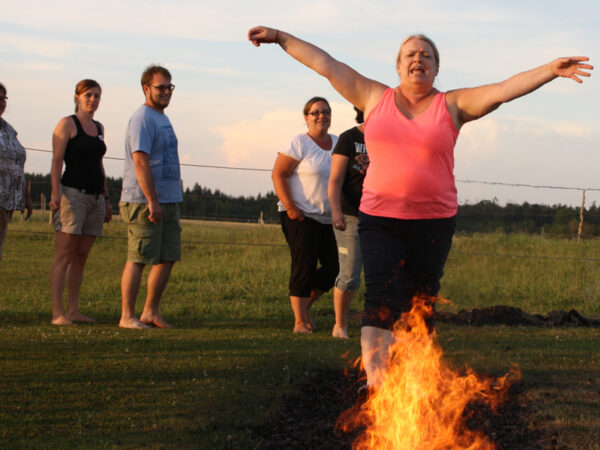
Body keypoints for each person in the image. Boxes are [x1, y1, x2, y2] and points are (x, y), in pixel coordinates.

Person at [248, 26, 593, 386]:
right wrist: (280, 37)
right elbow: (326, 64)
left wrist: (550, 71)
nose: (418, 59)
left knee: (420, 301)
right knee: (381, 297)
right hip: (380, 219)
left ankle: (412, 381)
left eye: (426, 55)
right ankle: (380, 386)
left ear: (436, 69)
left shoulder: (453, 105)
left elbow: (503, 90)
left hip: (434, 222)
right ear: (398, 66)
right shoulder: (373, 96)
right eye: (411, 54)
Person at [119, 65, 182, 329]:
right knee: (139, 257)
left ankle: (150, 312)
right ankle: (127, 316)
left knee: (167, 257)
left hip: (168, 200)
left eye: (170, 87)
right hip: (144, 201)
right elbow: (140, 161)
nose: (166, 91)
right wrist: (152, 200)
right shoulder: (142, 118)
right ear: (146, 88)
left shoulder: (161, 117)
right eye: (161, 87)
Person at [272, 96, 340, 334]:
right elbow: (278, 175)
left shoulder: (338, 143)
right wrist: (290, 206)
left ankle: (304, 307)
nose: (322, 116)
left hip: (329, 218)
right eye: (316, 112)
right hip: (300, 215)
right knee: (304, 266)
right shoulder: (299, 143)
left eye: (326, 112)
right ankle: (299, 322)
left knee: (335, 268)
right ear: (306, 117)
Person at [49, 79, 112, 325]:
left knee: (81, 257)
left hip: (95, 197)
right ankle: (58, 313)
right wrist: (55, 194)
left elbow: (100, 164)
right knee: (64, 255)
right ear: (77, 96)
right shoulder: (67, 124)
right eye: (88, 95)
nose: (93, 100)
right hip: (72, 194)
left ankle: (73, 310)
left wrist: (106, 199)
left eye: (97, 96)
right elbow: (56, 161)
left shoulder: (99, 127)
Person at [328, 106, 369, 339]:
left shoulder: (388, 138)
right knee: (350, 273)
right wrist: (335, 211)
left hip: (379, 217)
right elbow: (335, 179)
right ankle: (340, 326)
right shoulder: (349, 138)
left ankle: (376, 325)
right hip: (350, 215)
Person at [0, 82, 32, 262]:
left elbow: (17, 164)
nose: (1, 102)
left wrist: (25, 195)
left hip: (6, 203)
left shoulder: (8, 129)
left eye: (3, 98)